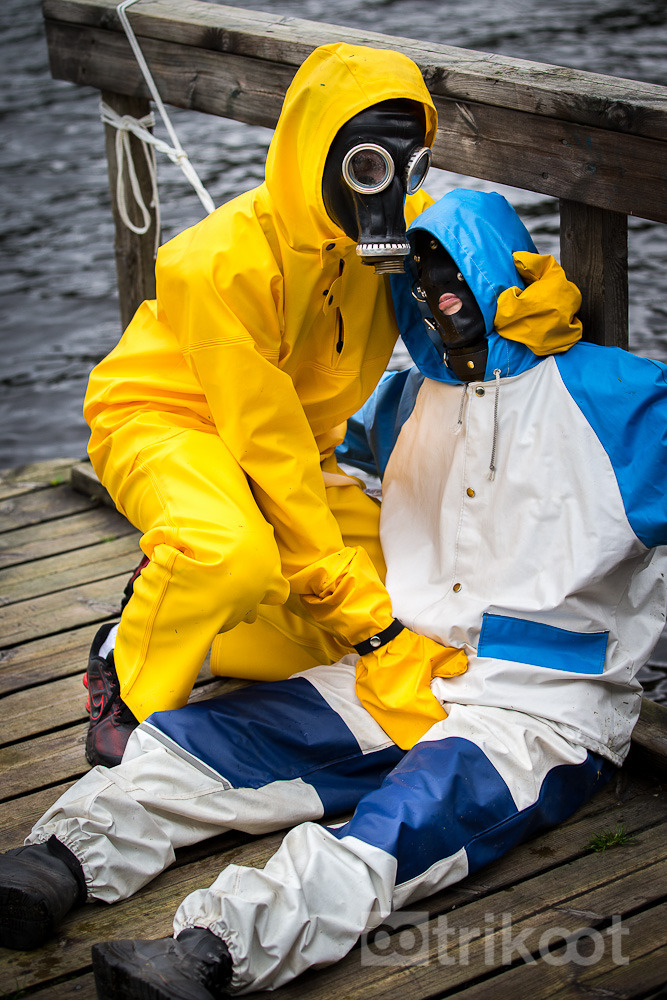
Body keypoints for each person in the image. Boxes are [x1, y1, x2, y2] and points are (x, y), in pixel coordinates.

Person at [5, 188, 659, 999]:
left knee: (399, 830)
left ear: (498, 266)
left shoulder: (625, 399)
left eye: (449, 267)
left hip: (538, 705)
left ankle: (213, 952)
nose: (433, 290)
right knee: (222, 736)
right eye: (413, 273)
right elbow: (294, 464)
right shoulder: (405, 399)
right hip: (401, 661)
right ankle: (60, 858)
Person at [80, 40, 472, 769]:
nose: (380, 187)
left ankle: (191, 617)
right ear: (310, 152)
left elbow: (492, 266)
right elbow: (267, 452)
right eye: (362, 164)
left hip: (294, 444)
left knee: (407, 596)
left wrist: (526, 297)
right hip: (168, 420)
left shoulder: (411, 230)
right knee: (233, 555)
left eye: (401, 164)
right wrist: (369, 630)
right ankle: (126, 672)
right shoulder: (217, 264)